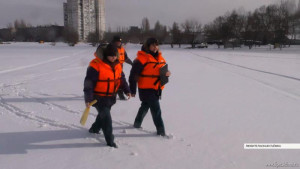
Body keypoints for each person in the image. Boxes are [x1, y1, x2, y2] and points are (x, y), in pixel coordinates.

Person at [83, 44, 131, 148]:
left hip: (110, 97)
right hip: (98, 98)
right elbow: (88, 84)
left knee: (103, 116)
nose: (113, 57)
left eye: (115, 55)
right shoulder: (96, 65)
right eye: (110, 55)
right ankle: (110, 141)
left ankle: (94, 129)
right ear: (105, 55)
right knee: (107, 119)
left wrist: (127, 90)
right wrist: (88, 98)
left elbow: (121, 79)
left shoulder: (118, 65)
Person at [129, 38, 171, 136]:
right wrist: (132, 89)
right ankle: (161, 131)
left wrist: (167, 74)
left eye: (156, 45)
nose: (155, 47)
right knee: (156, 109)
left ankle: (137, 123)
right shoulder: (141, 59)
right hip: (146, 88)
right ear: (147, 46)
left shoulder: (161, 58)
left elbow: (163, 70)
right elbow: (133, 75)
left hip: (157, 88)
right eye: (152, 45)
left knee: (145, 106)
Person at [111, 36, 133, 100]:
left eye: (120, 42)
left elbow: (125, 58)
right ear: (114, 42)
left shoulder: (122, 49)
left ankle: (120, 92)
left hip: (120, 67)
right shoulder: (111, 48)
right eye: (117, 42)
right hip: (112, 67)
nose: (119, 43)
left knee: (121, 80)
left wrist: (132, 63)